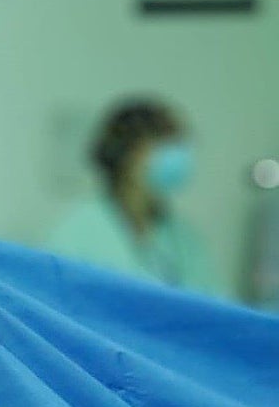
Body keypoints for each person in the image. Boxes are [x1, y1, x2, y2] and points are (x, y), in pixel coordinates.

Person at [45, 97, 226, 296]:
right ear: (126, 155)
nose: (177, 156)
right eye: (164, 145)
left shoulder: (184, 238)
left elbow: (215, 306)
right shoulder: (77, 232)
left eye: (178, 145)